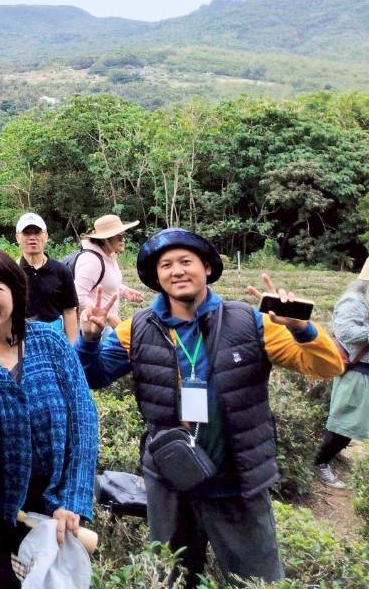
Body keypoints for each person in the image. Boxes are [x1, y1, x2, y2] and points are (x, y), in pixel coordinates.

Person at [75, 228, 343, 586]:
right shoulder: (136, 328)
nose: (177, 271)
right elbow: (92, 377)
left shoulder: (252, 322)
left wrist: (302, 329)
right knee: (170, 576)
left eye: (186, 261)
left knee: (256, 579)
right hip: (169, 481)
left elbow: (329, 366)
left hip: (237, 481)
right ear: (157, 277)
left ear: (207, 267)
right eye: (166, 265)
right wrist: (89, 341)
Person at [0, 247, 97, 589]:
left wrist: (72, 498)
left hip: (58, 511)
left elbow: (83, 421)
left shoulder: (50, 342)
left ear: (15, 291)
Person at [313, 258, 369, 488]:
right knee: (343, 425)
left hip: (365, 373)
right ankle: (318, 463)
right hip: (356, 372)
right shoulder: (353, 301)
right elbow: (346, 332)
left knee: (351, 424)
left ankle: (325, 458)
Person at [14, 213, 79, 342]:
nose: (32, 237)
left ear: (46, 236)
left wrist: (72, 349)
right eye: (26, 233)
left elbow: (70, 311)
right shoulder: (11, 272)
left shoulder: (61, 271)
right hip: (22, 338)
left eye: (37, 232)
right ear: (17, 238)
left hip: (54, 337)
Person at [72, 214, 144, 326]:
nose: (123, 239)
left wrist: (124, 290)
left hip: (105, 325)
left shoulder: (109, 255)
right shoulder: (91, 261)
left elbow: (104, 281)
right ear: (105, 239)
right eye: (118, 236)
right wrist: (107, 315)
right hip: (91, 327)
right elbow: (78, 296)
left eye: (123, 235)